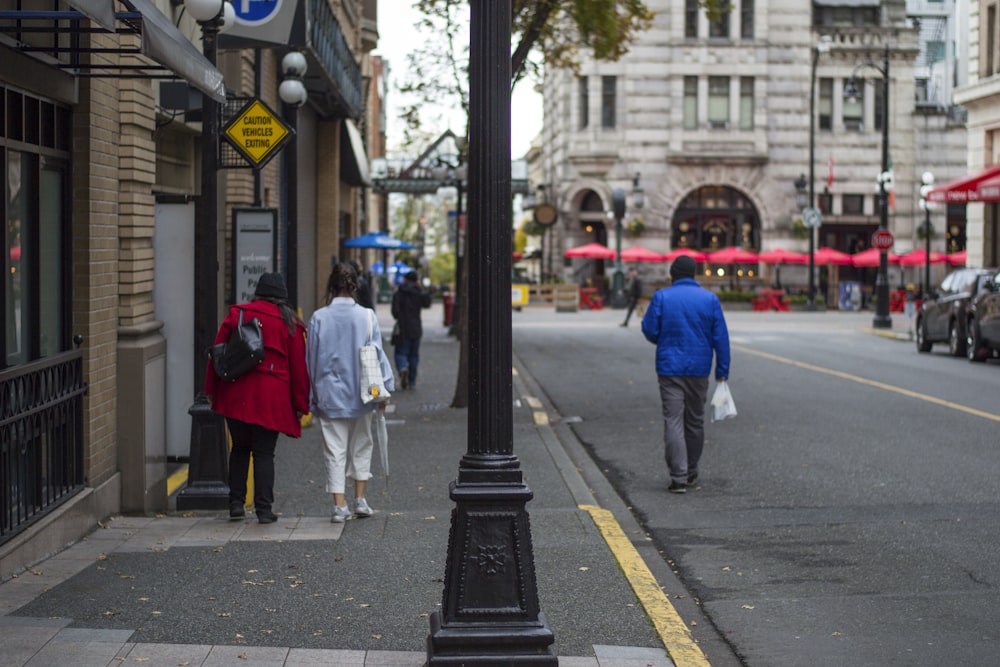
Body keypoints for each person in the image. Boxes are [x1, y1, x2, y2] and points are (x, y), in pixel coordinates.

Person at [206, 272, 309, 524]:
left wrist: (212, 390)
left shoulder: (237, 314)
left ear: (258, 293)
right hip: (271, 398)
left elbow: (217, 355)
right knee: (264, 453)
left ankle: (236, 504)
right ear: (282, 298)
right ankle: (264, 510)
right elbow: (298, 369)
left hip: (236, 393)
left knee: (239, 448)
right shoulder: (290, 324)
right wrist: (300, 404)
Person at [307, 262, 394, 523]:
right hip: (363, 394)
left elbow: (310, 360)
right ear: (355, 286)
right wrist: (384, 392)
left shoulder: (318, 317)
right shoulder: (367, 316)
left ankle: (339, 506)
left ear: (331, 287)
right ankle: (360, 499)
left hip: (329, 394)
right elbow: (378, 357)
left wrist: (313, 396)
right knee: (362, 445)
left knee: (334, 450)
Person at [641, 255, 730, 494]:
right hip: (699, 369)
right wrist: (722, 370)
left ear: (673, 274)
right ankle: (691, 470)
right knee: (694, 421)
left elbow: (649, 329)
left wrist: (663, 340)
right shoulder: (710, 299)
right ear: (694, 274)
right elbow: (720, 338)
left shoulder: (662, 297)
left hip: (669, 368)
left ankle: (678, 476)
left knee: (673, 420)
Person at [391, 270, 432, 389]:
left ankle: (403, 368)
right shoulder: (419, 292)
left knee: (400, 352)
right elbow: (427, 303)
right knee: (414, 355)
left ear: (405, 279)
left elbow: (394, 312)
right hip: (416, 327)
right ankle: (412, 380)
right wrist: (422, 289)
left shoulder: (399, 292)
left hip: (403, 327)